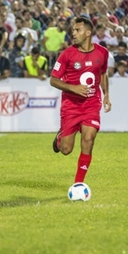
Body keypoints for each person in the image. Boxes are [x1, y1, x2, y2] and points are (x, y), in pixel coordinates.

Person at [50, 16, 111, 187]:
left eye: (78, 30)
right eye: (73, 30)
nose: (73, 33)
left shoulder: (102, 53)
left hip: (91, 104)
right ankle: (59, 138)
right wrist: (73, 88)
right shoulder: (67, 54)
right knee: (66, 150)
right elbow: (53, 80)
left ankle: (78, 184)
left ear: (88, 33)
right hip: (71, 105)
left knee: (89, 138)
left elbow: (103, 73)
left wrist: (106, 95)